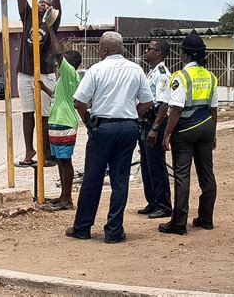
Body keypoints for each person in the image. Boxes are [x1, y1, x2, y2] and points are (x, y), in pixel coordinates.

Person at [66, 31, 153, 244]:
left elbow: (79, 102)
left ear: (104, 49)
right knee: (120, 180)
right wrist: (132, 117)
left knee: (92, 179)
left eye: (99, 48)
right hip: (128, 130)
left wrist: (89, 123)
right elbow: (147, 101)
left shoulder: (96, 70)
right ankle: (114, 230)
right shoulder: (136, 70)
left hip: (102, 128)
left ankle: (83, 228)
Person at [159, 34, 218, 235]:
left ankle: (179, 223)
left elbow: (175, 109)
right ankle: (206, 218)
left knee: (182, 175)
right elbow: (213, 109)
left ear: (184, 55)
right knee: (206, 173)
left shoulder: (180, 77)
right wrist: (213, 133)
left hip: (185, 130)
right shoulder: (210, 77)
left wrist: (167, 134)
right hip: (206, 127)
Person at [16, 0, 61, 167]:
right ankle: (29, 151)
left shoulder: (51, 22)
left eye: (46, 2)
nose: (43, 3)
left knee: (44, 115)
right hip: (25, 72)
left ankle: (45, 152)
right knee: (27, 112)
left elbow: (57, 0)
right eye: (40, 1)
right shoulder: (28, 18)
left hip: (45, 73)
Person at [39, 24, 82, 211]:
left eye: (61, 61)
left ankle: (67, 199)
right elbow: (59, 98)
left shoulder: (70, 74)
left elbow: (58, 53)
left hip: (64, 123)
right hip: (58, 122)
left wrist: (50, 30)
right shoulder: (62, 80)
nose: (57, 63)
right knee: (61, 162)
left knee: (66, 161)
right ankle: (63, 196)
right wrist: (45, 89)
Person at [137, 40, 172, 219]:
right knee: (147, 165)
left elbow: (164, 103)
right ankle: (152, 201)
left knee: (157, 164)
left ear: (158, 52)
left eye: (149, 49)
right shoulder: (151, 72)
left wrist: (155, 128)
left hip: (155, 122)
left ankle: (164, 205)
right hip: (146, 122)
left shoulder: (162, 74)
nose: (146, 51)